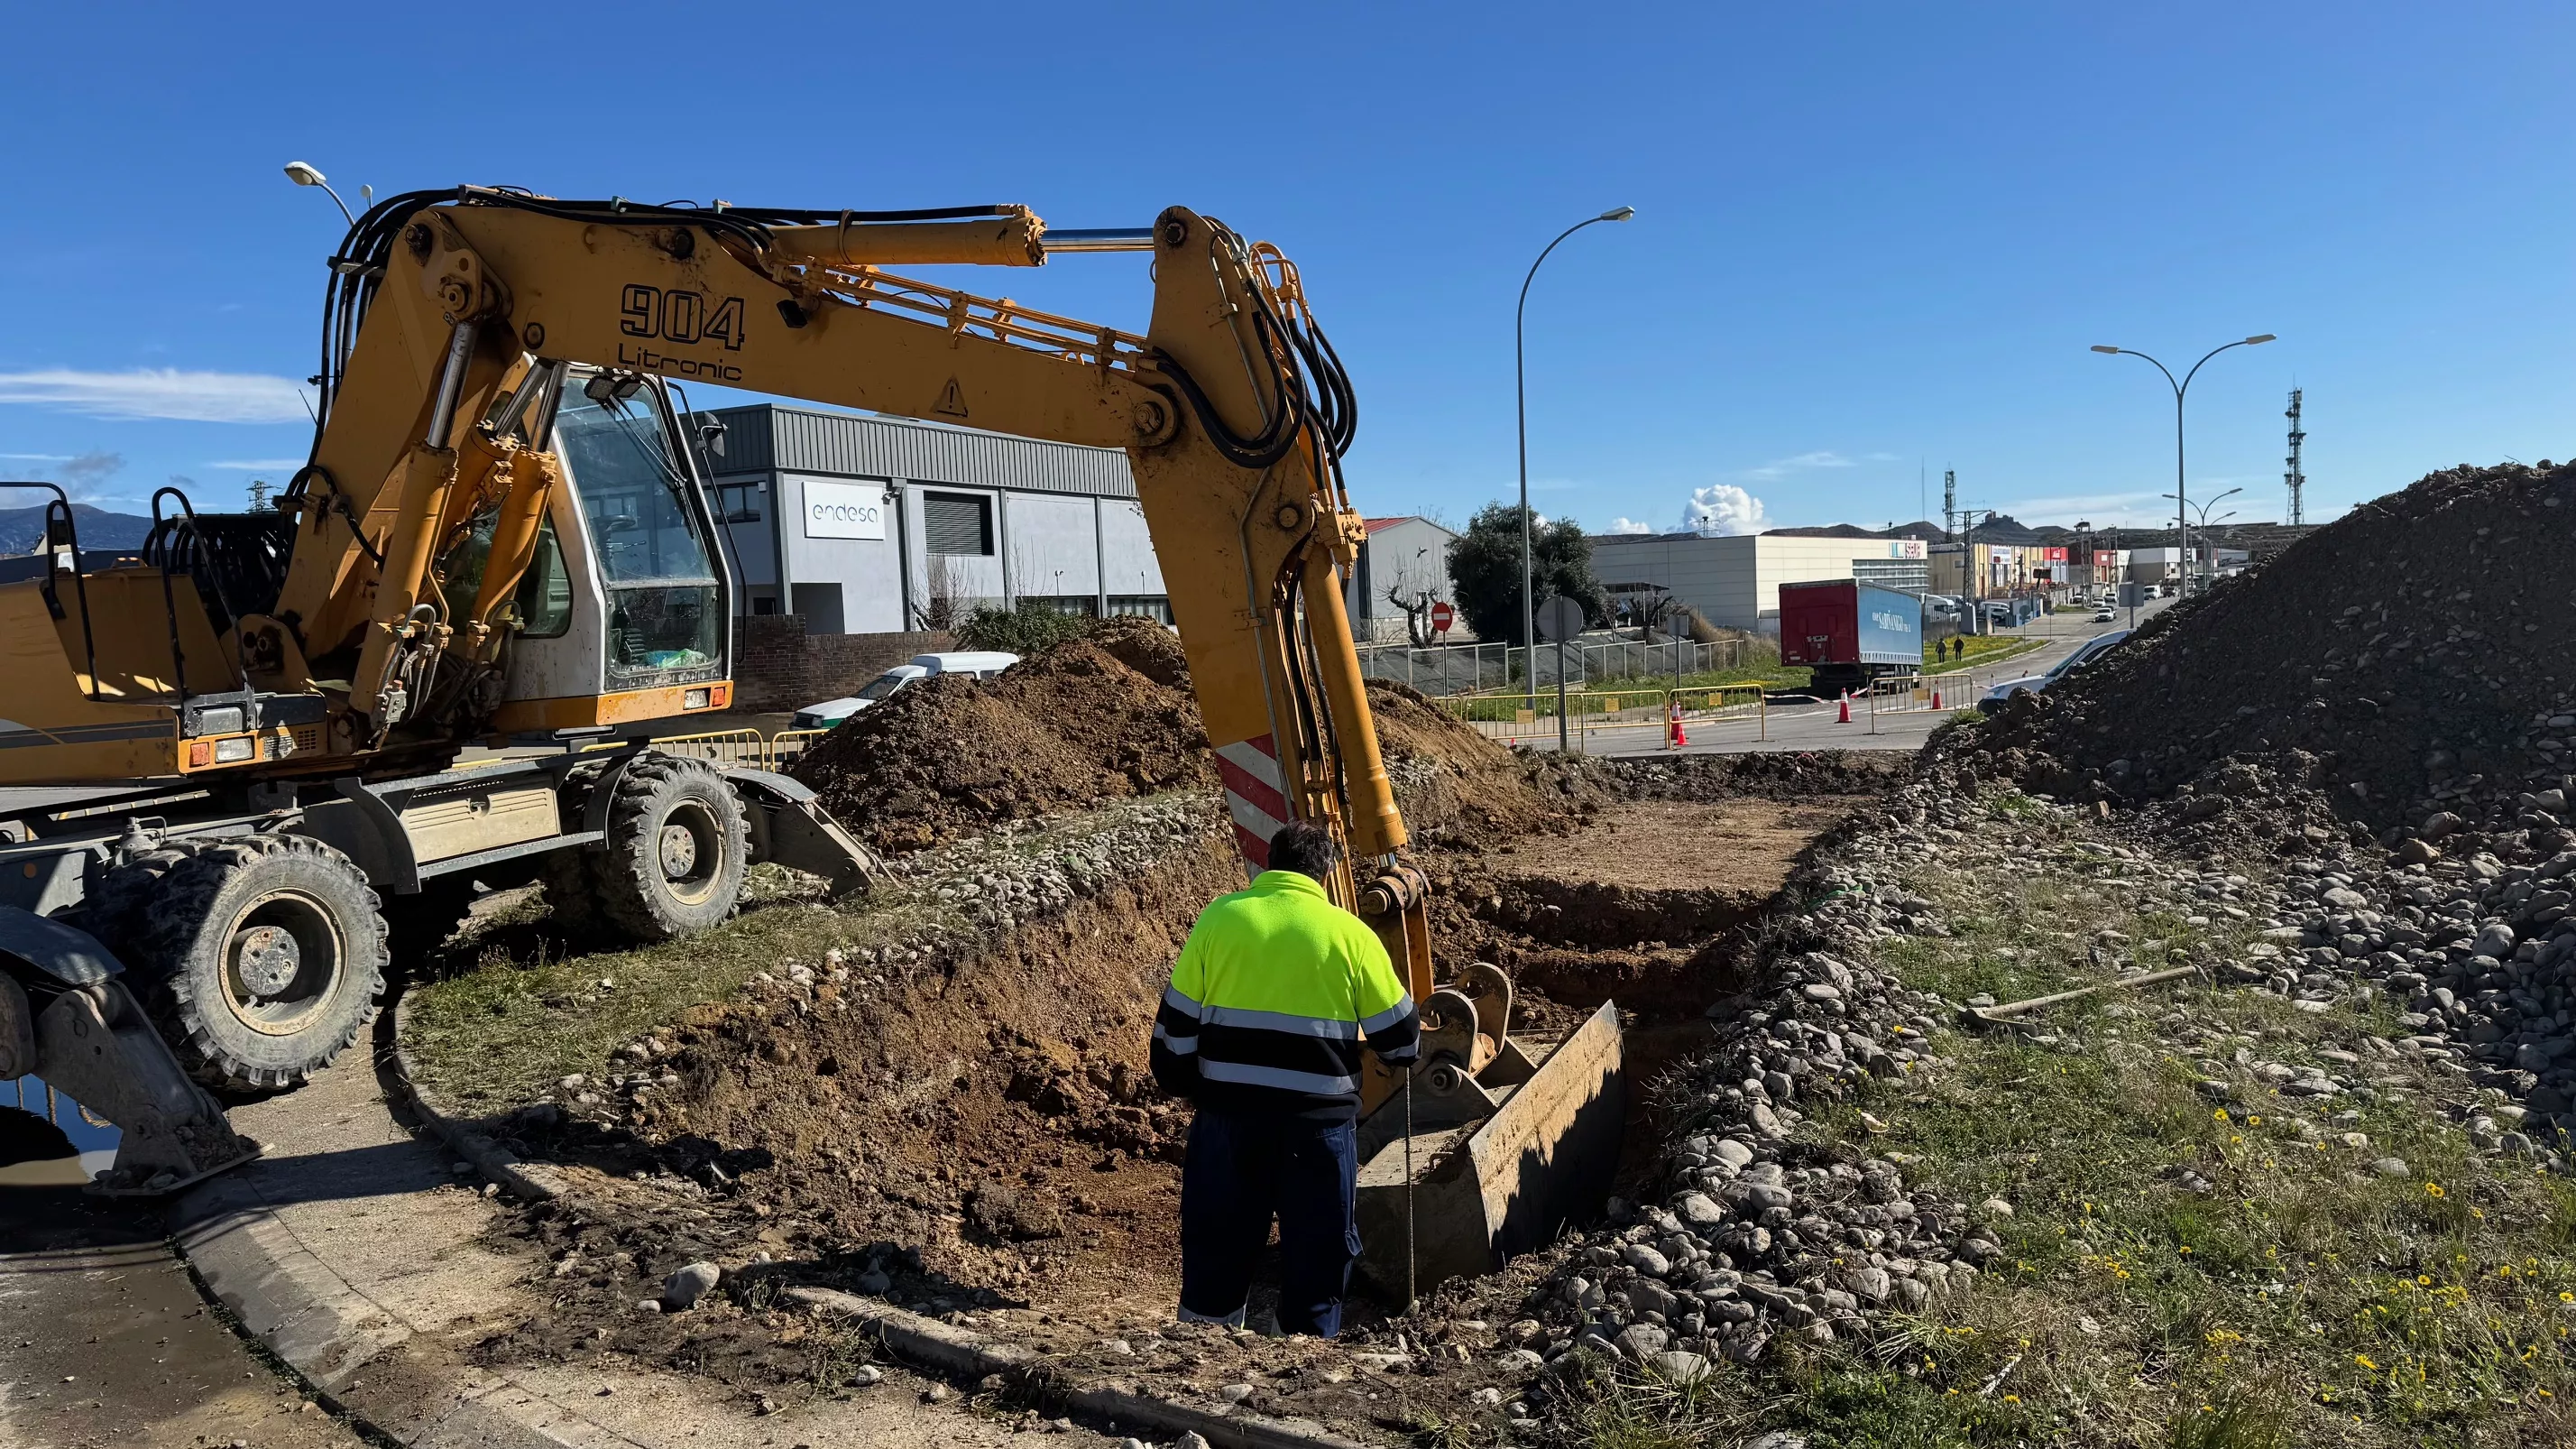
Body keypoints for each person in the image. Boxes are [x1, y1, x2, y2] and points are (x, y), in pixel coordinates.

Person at [1148, 820, 1419, 1337]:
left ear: (1269, 863)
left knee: (1215, 1259)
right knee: (1318, 1267)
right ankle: (1299, 1373)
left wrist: (1200, 1090)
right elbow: (1403, 1045)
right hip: (1317, 1135)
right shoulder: (1351, 935)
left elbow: (1172, 1044)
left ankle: (1199, 1366)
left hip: (1227, 1127)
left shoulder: (1218, 921)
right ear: (1326, 873)